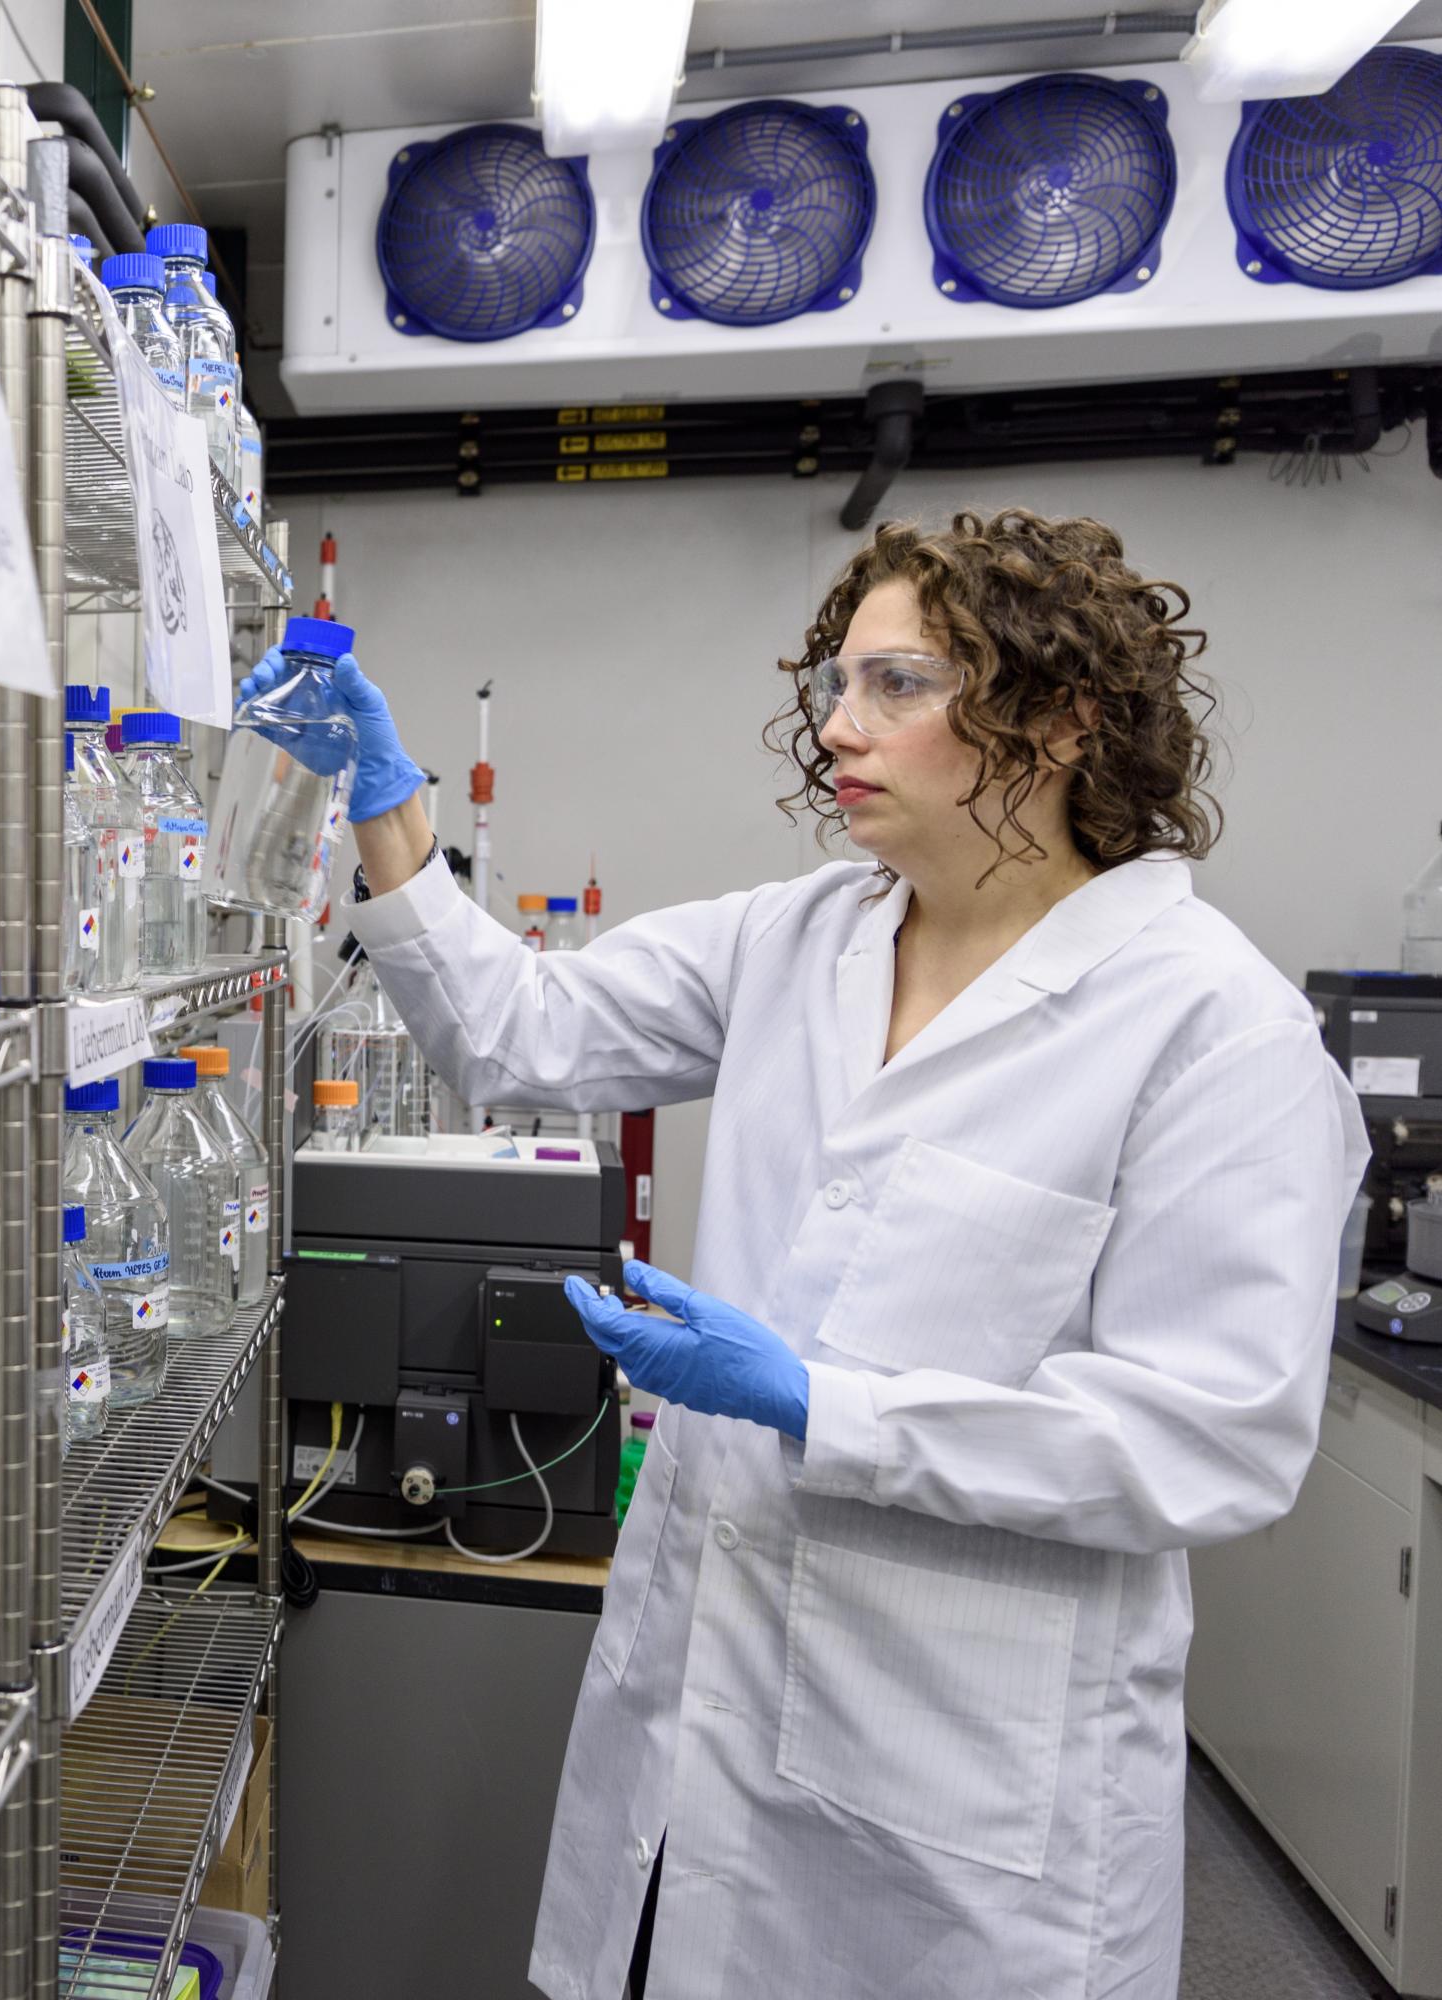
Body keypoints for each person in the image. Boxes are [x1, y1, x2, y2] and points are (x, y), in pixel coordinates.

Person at [240, 509, 1367, 2000]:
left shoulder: (1214, 1034)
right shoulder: (804, 934)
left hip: (964, 1789)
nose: (837, 725)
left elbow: (1208, 1443)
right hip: (701, 1708)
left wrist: (825, 1407)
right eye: (836, 681)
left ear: (1063, 715)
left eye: (896, 684)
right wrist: (387, 800)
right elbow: (521, 1030)